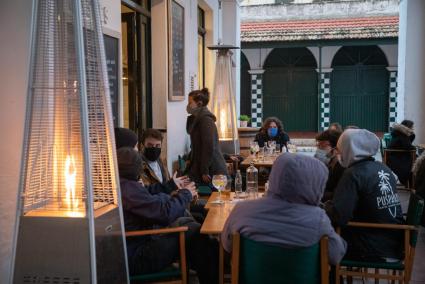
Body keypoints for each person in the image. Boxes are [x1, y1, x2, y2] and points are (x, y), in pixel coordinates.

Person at [221, 153, 347, 265]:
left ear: (275, 175)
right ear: (315, 183)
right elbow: (335, 256)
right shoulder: (318, 219)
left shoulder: (242, 211)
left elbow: (227, 246)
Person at [117, 147, 218, 283]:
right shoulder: (128, 189)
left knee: (194, 226)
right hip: (137, 256)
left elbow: (150, 198)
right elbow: (164, 213)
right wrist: (185, 194)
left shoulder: (122, 184)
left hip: (134, 246)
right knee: (196, 233)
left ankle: (206, 268)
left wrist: (174, 190)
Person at [325, 129, 404, 262]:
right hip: (395, 243)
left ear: (350, 149)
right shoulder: (383, 168)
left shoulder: (353, 174)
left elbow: (339, 216)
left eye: (339, 149)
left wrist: (323, 206)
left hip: (370, 246)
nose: (337, 153)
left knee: (322, 244)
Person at [114, 127, 188, 192]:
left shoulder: (161, 161)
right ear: (142, 146)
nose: (154, 148)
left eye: (157, 145)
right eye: (150, 145)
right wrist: (172, 186)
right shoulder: (136, 166)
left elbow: (167, 183)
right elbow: (147, 190)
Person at [186, 88, 227, 184]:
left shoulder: (206, 121)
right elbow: (197, 145)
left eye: (190, 102)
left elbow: (209, 146)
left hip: (211, 169)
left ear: (199, 103)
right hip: (200, 166)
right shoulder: (197, 119)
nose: (188, 106)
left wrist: (204, 170)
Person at [314, 129, 345, 201]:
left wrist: (317, 194)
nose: (319, 149)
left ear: (336, 148)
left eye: (323, 145)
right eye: (318, 145)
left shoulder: (342, 169)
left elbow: (339, 195)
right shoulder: (329, 165)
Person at [387, 120, 416, 186]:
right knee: (416, 162)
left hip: (393, 157)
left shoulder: (399, 133)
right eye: (412, 127)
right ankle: (412, 184)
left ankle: (411, 184)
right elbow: (409, 147)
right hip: (396, 160)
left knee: (415, 157)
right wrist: (412, 134)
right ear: (408, 128)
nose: (413, 128)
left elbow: (407, 146)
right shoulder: (402, 135)